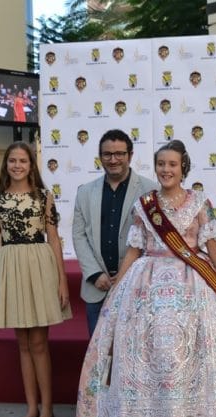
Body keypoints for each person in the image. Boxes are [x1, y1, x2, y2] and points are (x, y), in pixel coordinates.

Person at [75, 140, 216, 417]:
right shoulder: (144, 204)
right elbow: (134, 248)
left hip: (194, 284)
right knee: (147, 356)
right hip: (145, 284)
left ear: (183, 167)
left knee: (195, 354)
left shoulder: (200, 203)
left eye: (172, 164)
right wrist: (119, 284)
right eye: (161, 164)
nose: (166, 170)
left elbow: (212, 245)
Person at [0, 142, 71, 417]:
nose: (18, 165)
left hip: (39, 264)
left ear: (31, 165)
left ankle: (47, 409)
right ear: (6, 164)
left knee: (38, 343)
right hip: (10, 266)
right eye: (13, 160)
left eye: (23, 160)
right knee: (22, 343)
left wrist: (61, 280)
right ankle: (31, 407)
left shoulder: (43, 197)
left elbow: (55, 239)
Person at [73, 129, 156, 337]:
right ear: (100, 157)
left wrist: (128, 273)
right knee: (98, 358)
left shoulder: (150, 190)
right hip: (97, 287)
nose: (113, 159)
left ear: (130, 155)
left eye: (120, 153)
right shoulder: (84, 192)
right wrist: (94, 274)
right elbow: (79, 235)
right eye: (107, 154)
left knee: (133, 355)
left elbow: (154, 239)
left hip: (136, 286)